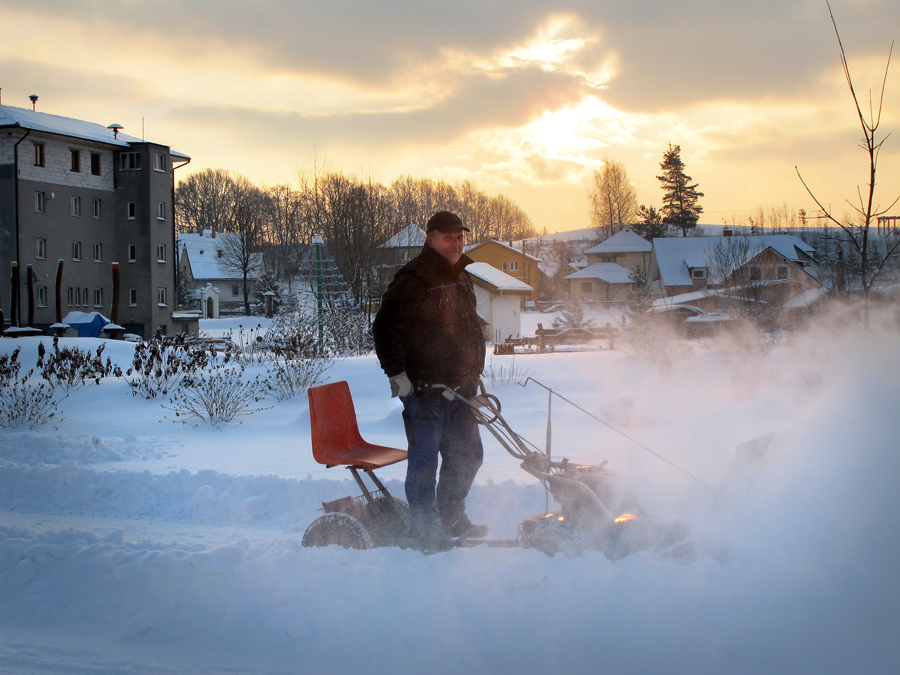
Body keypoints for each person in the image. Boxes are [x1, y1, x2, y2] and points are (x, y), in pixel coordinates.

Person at [372, 211, 488, 544]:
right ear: (430, 238)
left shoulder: (461, 276)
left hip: (461, 390)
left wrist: (473, 378)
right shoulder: (414, 278)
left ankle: (451, 518)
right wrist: (397, 374)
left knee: (468, 455)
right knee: (424, 462)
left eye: (460, 237)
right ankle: (424, 527)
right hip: (425, 391)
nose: (455, 243)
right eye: (447, 237)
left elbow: (467, 329)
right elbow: (385, 328)